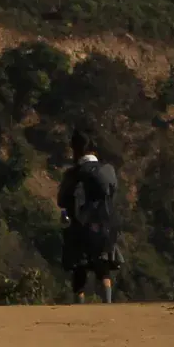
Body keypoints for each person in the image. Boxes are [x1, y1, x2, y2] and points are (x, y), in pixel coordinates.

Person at [57, 130, 122, 303]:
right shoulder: (108, 170)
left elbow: (62, 200)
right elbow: (113, 193)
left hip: (79, 227)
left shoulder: (72, 174)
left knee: (79, 270)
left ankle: (80, 311)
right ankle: (108, 305)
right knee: (103, 268)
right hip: (105, 226)